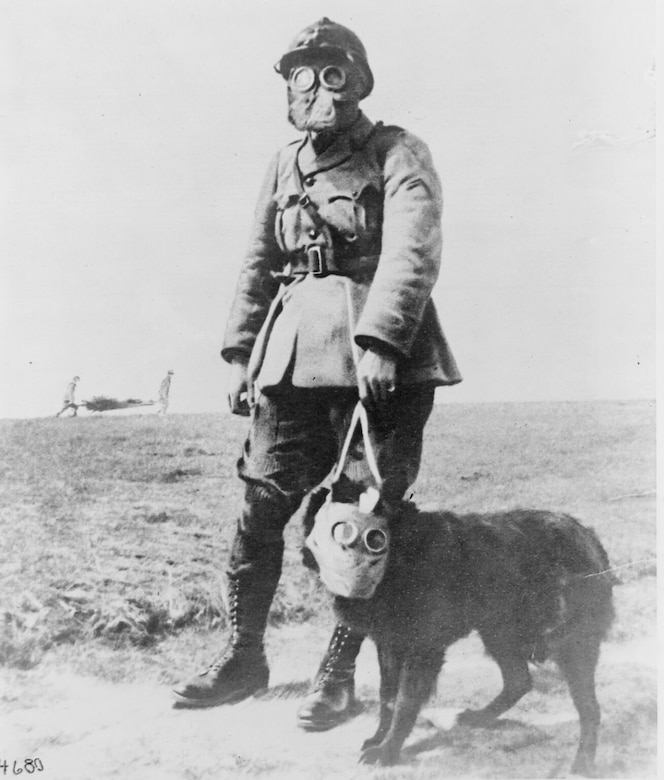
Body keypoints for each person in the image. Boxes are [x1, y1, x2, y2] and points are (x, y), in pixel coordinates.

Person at [173, 18, 462, 729]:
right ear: (290, 88)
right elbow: (257, 262)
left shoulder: (398, 150)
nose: (317, 88)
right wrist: (242, 353)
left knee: (356, 520)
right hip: (292, 357)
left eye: (333, 72)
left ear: (359, 80)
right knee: (260, 508)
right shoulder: (283, 162)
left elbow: (412, 250)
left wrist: (384, 341)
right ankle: (244, 657)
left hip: (379, 363)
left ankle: (337, 677)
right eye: (302, 74)